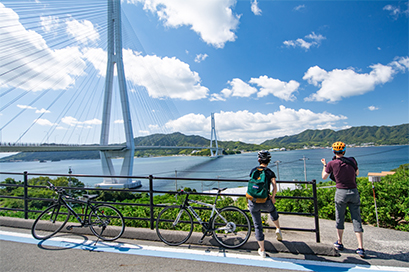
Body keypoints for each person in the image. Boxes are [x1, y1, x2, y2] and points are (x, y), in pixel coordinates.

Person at [321, 141, 365, 258]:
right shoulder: (352, 160)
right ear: (344, 151)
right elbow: (357, 173)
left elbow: (324, 177)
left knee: (340, 217)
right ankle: (360, 247)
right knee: (356, 218)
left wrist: (325, 165)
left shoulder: (331, 163)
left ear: (334, 152)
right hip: (353, 191)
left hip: (341, 193)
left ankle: (339, 242)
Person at [248, 150, 282, 258]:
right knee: (272, 210)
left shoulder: (254, 170)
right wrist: (273, 197)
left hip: (253, 201)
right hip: (265, 200)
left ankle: (262, 250)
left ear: (259, 160)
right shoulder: (270, 172)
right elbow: (274, 186)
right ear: (269, 160)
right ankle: (277, 228)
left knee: (258, 225)